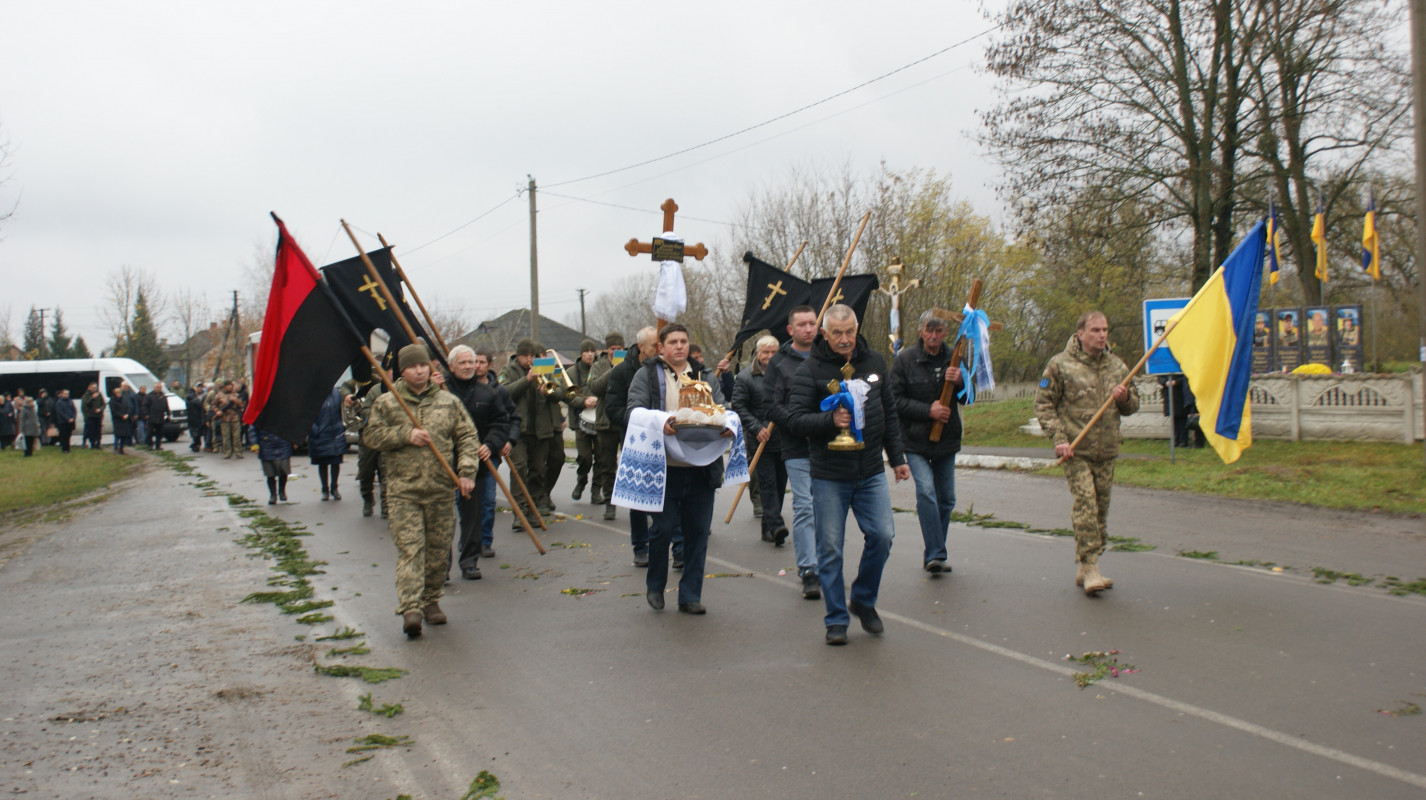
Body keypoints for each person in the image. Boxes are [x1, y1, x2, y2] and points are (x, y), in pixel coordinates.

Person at [786, 304, 910, 646]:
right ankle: (836, 618)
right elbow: (794, 420)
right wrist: (830, 421)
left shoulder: (875, 363)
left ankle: (864, 599)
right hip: (829, 474)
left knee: (883, 536)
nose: (844, 339)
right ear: (824, 334)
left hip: (869, 471)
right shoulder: (810, 369)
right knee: (830, 550)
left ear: (857, 329)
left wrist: (896, 457)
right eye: (837, 333)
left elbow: (888, 415)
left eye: (850, 332)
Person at [362, 343, 480, 638]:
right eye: (413, 367)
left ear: (430, 368)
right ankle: (411, 607)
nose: (419, 371)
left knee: (438, 551)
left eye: (423, 365)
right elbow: (372, 436)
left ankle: (431, 602)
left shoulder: (448, 402)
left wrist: (466, 472)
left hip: (440, 489)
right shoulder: (388, 403)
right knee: (411, 550)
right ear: (403, 371)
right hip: (404, 491)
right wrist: (405, 434)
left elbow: (466, 436)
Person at [626, 323, 731, 615]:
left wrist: (725, 426)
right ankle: (656, 585)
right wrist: (661, 422)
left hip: (701, 467)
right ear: (661, 347)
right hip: (663, 468)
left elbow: (721, 408)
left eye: (684, 341)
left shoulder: (705, 375)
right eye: (673, 341)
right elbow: (632, 410)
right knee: (662, 529)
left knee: (698, 533)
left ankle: (690, 595)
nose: (679, 346)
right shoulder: (646, 375)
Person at [1034, 310, 1140, 596]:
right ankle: (1091, 566)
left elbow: (1133, 407)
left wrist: (1125, 397)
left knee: (1101, 510)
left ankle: (1086, 562)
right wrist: (1059, 439)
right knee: (1086, 504)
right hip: (1075, 449)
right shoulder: (1059, 365)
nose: (1102, 335)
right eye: (1095, 330)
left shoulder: (1117, 366)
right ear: (1080, 333)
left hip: (1106, 450)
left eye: (1105, 329)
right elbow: (1043, 404)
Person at [890, 310, 964, 574]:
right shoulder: (905, 360)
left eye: (939, 331)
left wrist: (961, 381)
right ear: (920, 331)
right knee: (926, 492)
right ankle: (936, 553)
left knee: (947, 500)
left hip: (946, 440)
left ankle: (933, 552)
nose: (934, 336)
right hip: (915, 440)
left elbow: (967, 397)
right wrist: (927, 410)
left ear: (945, 333)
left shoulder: (955, 358)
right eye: (929, 331)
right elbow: (894, 401)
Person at [765, 305, 823, 599]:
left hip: (827, 444)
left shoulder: (826, 357)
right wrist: (796, 424)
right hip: (796, 445)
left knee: (825, 508)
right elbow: (771, 403)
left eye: (813, 323)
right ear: (790, 330)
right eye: (801, 324)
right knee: (803, 505)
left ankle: (826, 563)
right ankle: (808, 569)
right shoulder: (778, 363)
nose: (808, 329)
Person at [446, 345, 518, 580]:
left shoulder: (488, 393)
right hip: (444, 464)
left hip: (475, 463)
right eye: (464, 363)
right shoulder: (440, 392)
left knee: (473, 515)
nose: (469, 367)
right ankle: (441, 567)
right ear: (451, 366)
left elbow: (501, 423)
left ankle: (469, 560)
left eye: (472, 363)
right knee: (443, 519)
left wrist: (490, 444)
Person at [604, 326, 660, 558]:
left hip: (663, 440)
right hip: (635, 439)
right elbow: (613, 408)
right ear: (642, 348)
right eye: (655, 346)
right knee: (639, 495)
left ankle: (674, 547)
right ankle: (640, 546)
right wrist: (638, 422)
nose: (660, 349)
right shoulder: (621, 372)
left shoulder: (664, 370)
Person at [732, 335, 788, 546]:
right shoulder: (745, 378)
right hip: (760, 442)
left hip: (783, 439)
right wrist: (756, 427)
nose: (770, 356)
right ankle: (775, 524)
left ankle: (768, 527)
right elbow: (738, 406)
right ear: (758, 354)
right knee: (767, 484)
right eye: (766, 352)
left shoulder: (786, 375)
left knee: (781, 484)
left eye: (774, 352)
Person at [499, 339, 562, 523]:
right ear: (518, 356)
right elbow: (503, 392)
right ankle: (519, 512)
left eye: (532, 356)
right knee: (519, 469)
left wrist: (548, 391)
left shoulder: (544, 369)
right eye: (525, 356)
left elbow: (560, 393)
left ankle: (533, 509)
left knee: (538, 470)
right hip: (517, 431)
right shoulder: (508, 371)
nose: (529, 359)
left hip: (540, 430)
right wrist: (526, 380)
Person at [583, 332, 625, 510]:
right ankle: (609, 502)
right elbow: (594, 387)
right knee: (607, 465)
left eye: (619, 349)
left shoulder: (630, 364)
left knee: (629, 463)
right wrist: (613, 371)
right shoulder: (598, 366)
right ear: (607, 349)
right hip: (605, 421)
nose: (615, 352)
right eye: (612, 349)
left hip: (624, 421)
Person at [567, 339, 601, 502]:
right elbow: (568, 395)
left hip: (600, 419)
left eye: (592, 351)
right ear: (581, 354)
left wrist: (598, 400)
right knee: (585, 457)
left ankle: (596, 491)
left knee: (601, 458)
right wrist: (583, 402)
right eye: (586, 351)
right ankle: (581, 481)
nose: (589, 354)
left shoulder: (601, 368)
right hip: (580, 421)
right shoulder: (572, 372)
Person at [309, 386, 348, 500]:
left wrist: (342, 426)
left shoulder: (336, 393)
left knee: (335, 462)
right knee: (323, 463)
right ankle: (324, 490)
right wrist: (315, 430)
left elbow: (342, 410)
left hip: (335, 433)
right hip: (320, 434)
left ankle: (334, 488)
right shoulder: (312, 395)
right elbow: (307, 415)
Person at [1158, 374, 1202, 448]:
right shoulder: (1165, 367)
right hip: (1169, 394)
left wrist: (1175, 382)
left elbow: (1185, 378)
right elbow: (1160, 377)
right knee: (1174, 419)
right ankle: (1176, 440)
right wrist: (1165, 382)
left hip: (1180, 394)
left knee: (1182, 419)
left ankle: (1183, 441)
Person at [254, 426, 294, 504]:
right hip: (266, 445)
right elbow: (253, 429)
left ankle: (282, 491)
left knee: (284, 470)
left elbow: (292, 426)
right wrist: (254, 445)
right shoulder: (259, 414)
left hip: (283, 444)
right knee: (270, 473)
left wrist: (295, 440)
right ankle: (273, 495)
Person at [212, 381, 244, 458]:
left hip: (234, 418)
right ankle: (227, 452)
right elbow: (213, 405)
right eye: (228, 385)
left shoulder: (235, 395)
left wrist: (237, 402)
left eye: (230, 385)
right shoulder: (219, 395)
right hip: (224, 418)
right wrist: (217, 411)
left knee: (236, 436)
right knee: (226, 436)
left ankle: (238, 452)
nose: (230, 387)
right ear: (224, 386)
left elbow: (241, 406)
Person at [109, 385, 135, 454]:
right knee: (117, 435)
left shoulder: (123, 400)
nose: (119, 394)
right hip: (117, 420)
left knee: (124, 435)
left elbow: (128, 408)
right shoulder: (112, 401)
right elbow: (114, 411)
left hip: (125, 420)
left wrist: (127, 414)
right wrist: (121, 416)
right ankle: (116, 448)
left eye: (119, 393)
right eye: (117, 393)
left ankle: (122, 448)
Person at [81, 383, 105, 450]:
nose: (94, 389)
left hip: (98, 416)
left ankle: (98, 444)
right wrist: (92, 398)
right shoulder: (86, 396)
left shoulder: (99, 395)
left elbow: (103, 404)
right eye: (93, 387)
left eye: (95, 387)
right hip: (90, 416)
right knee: (91, 431)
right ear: (89, 388)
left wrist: (100, 409)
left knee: (98, 431)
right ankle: (92, 444)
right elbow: (86, 405)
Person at [145, 382, 169, 450]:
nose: (159, 389)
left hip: (160, 417)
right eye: (157, 387)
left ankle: (158, 446)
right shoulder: (149, 396)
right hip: (151, 417)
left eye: (160, 387)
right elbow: (145, 406)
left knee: (160, 433)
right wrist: (146, 414)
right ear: (154, 388)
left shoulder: (163, 396)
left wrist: (168, 414)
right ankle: (150, 445)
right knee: (150, 432)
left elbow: (166, 406)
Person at [185, 385, 205, 452]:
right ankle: (196, 444)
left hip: (190, 417)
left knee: (193, 431)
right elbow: (200, 406)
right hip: (196, 417)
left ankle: (195, 444)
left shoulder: (187, 398)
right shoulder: (194, 398)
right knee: (197, 432)